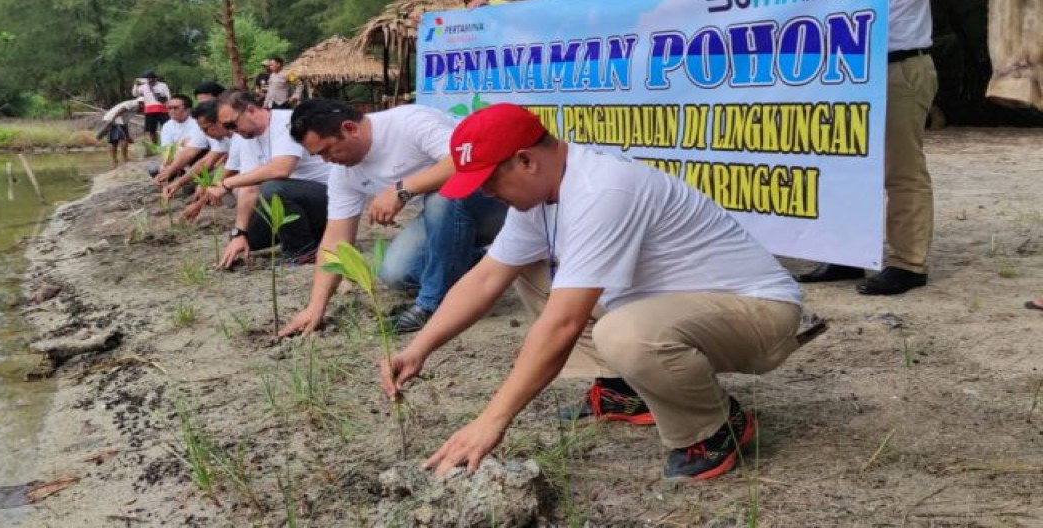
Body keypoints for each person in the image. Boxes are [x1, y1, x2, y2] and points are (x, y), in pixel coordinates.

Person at [380, 103, 805, 480]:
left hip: (761, 314)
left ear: (526, 160)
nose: (486, 194)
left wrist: (491, 421)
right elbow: (486, 277)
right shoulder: (542, 194)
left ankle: (714, 430)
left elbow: (563, 323)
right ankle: (624, 388)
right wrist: (420, 347)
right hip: (682, 307)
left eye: (490, 182)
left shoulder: (601, 190)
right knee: (527, 267)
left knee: (623, 334)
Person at [784, 0, 974, 296]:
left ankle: (907, 263)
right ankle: (847, 254)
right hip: (845, 75)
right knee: (843, 165)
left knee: (900, 169)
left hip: (899, 66)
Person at [279, 99, 507, 336]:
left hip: (503, 203)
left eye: (327, 150)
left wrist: (403, 188)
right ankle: (481, 262)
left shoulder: (409, 122)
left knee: (443, 196)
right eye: (319, 156)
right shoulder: (343, 175)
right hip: (450, 222)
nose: (326, 160)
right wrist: (316, 307)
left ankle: (432, 304)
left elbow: (467, 161)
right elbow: (335, 241)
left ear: (350, 129)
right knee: (397, 273)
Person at [205, 89, 331, 269]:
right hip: (293, 202)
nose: (232, 131)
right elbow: (248, 188)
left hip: (326, 198)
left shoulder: (288, 121)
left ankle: (303, 251)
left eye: (233, 124)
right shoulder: (248, 136)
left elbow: (281, 169)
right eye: (227, 128)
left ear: (250, 110)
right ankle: (311, 236)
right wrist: (239, 233)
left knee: (272, 188)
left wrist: (227, 183)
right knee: (249, 239)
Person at [155, 82, 228, 193]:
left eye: (208, 103)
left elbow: (225, 161)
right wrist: (171, 173)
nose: (172, 111)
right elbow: (195, 154)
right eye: (169, 108)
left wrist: (214, 183)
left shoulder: (236, 127)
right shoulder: (208, 124)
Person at [96, 98, 139, 167]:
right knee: (116, 141)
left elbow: (125, 118)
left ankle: (120, 160)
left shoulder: (135, 106)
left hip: (119, 120)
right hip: (113, 120)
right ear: (141, 103)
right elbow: (120, 111)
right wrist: (112, 121)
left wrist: (128, 135)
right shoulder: (134, 104)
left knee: (123, 139)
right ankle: (120, 160)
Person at [132, 70, 172, 143]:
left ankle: (167, 144)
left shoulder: (163, 85)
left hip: (162, 109)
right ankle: (155, 147)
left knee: (167, 128)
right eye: (147, 79)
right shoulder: (143, 87)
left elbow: (168, 97)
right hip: (150, 110)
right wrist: (136, 85)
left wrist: (163, 99)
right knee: (151, 130)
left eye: (150, 78)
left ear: (155, 78)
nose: (149, 80)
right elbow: (135, 94)